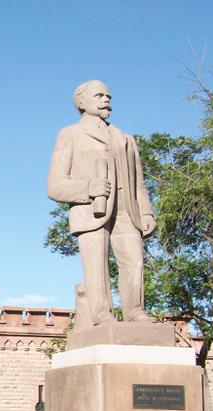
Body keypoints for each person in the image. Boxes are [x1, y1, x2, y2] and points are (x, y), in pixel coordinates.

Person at [47, 80, 156, 326]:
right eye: (99, 95)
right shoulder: (70, 134)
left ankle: (135, 312)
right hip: (91, 212)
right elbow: (54, 185)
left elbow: (139, 181)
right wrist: (88, 188)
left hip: (128, 211)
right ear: (82, 102)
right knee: (96, 266)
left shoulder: (126, 139)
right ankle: (102, 315)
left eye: (108, 96)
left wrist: (147, 212)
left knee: (135, 262)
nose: (106, 99)